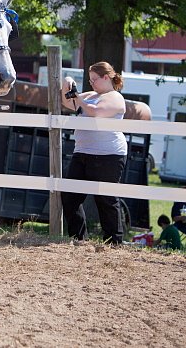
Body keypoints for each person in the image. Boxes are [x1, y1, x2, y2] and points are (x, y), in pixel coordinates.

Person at [60, 61, 127, 245]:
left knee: (106, 199)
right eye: (90, 80)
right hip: (82, 152)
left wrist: (79, 99)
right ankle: (79, 238)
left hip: (108, 155)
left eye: (94, 80)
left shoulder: (115, 97)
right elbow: (68, 102)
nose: (91, 84)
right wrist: (68, 82)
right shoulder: (91, 94)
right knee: (70, 196)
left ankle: (113, 241)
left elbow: (96, 112)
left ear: (106, 78)